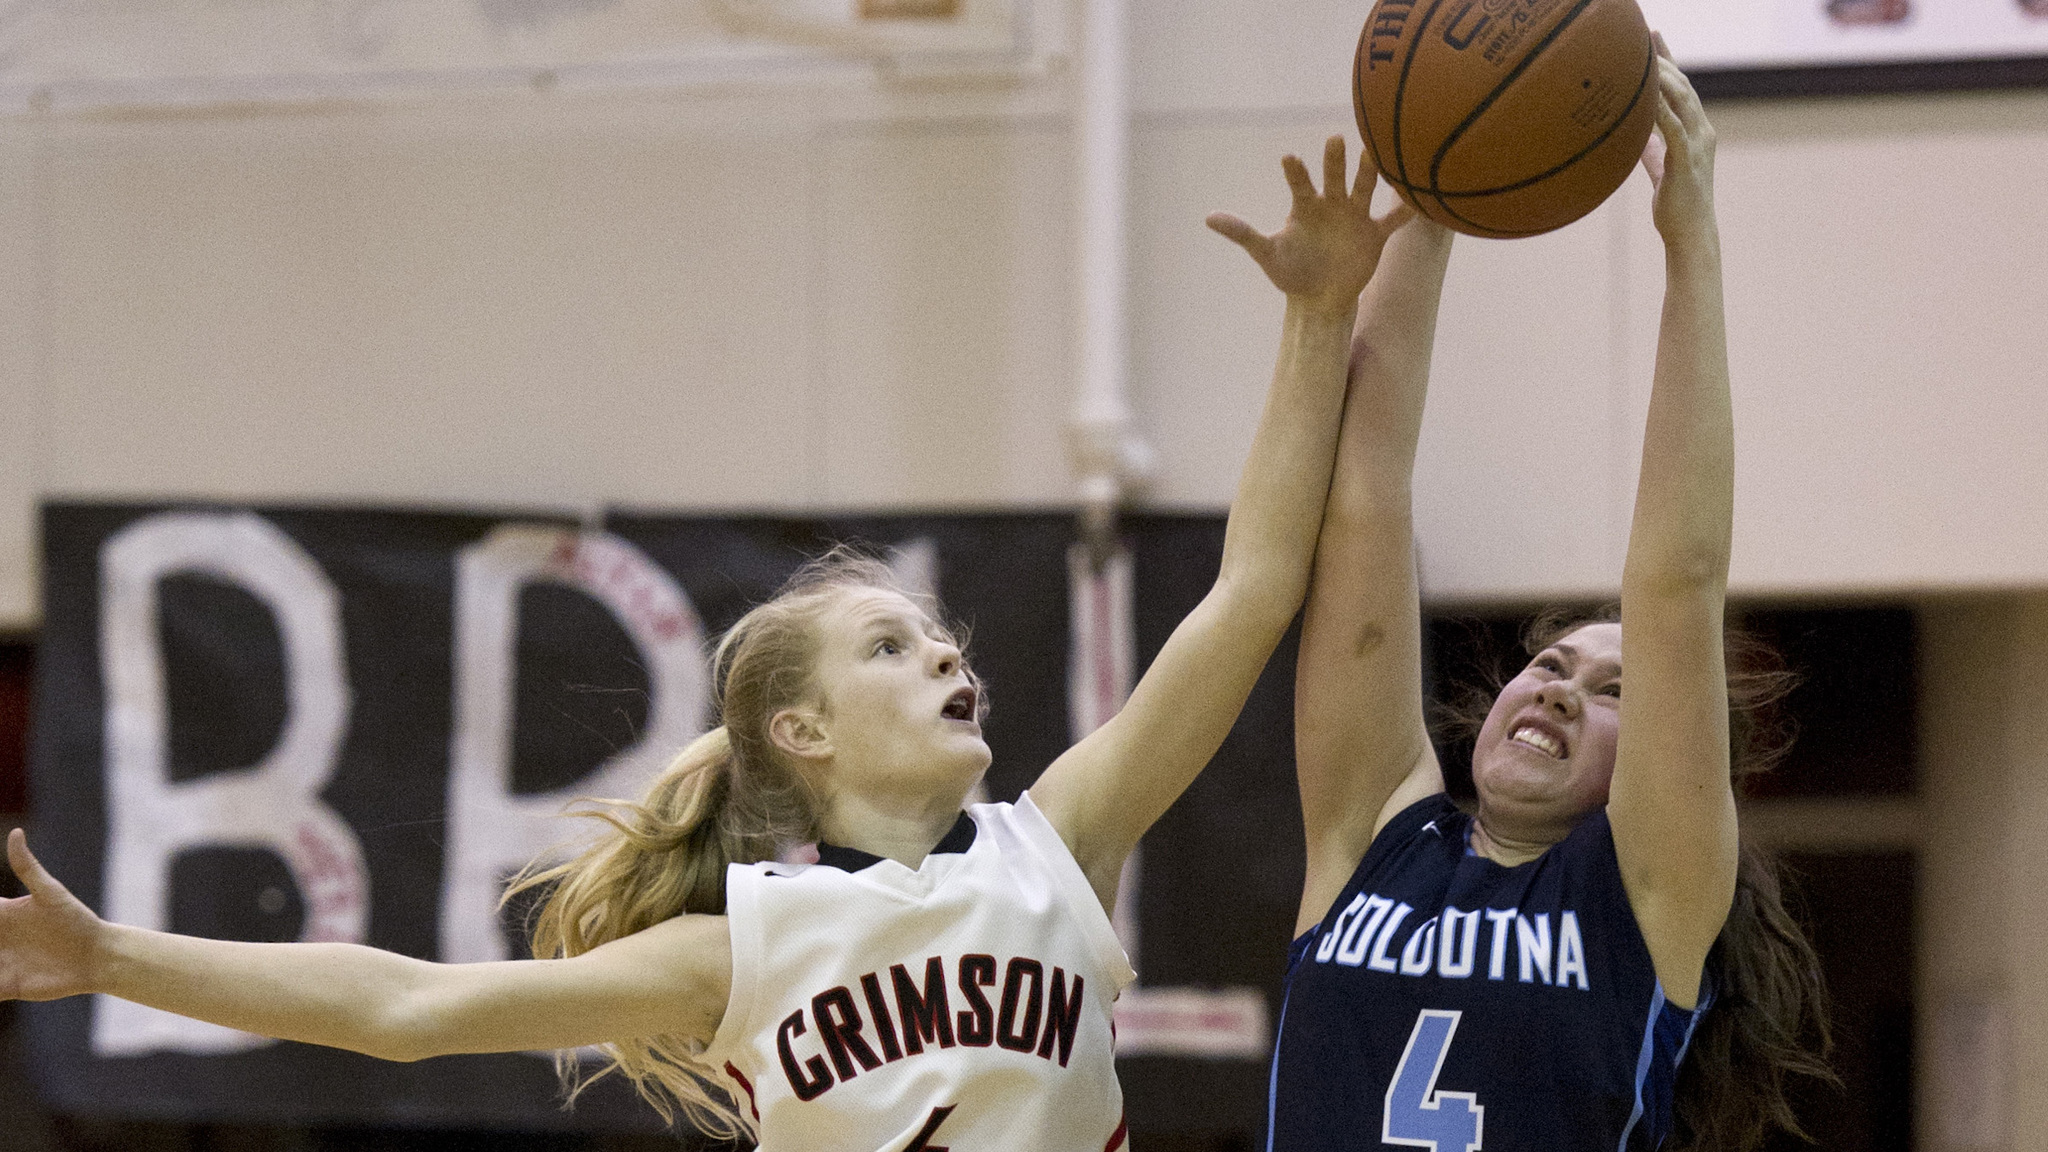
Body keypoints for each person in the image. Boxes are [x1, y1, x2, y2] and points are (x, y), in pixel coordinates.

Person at [0, 140, 1412, 1150]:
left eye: (938, 641)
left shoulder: (1058, 844)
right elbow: (407, 1006)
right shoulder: (743, 944)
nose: (943, 657)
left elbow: (1250, 592)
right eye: (891, 647)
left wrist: (1314, 318)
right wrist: (111, 954)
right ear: (803, 731)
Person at [1268, 39, 1830, 1152]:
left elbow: (1677, 583)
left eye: (1615, 690)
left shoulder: (1645, 897)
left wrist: (1690, 248)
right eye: (1552, 665)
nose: (1562, 690)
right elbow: (1364, 505)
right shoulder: (1373, 834)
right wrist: (1426, 204)